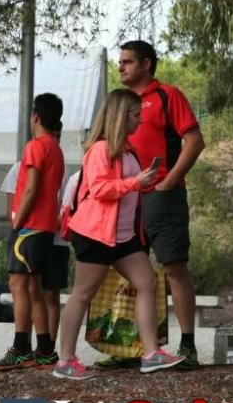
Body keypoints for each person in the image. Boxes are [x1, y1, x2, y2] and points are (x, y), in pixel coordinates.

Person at [53, 89, 185, 380]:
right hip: (95, 234)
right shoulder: (100, 150)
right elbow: (100, 189)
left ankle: (151, 354)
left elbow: (126, 188)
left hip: (123, 236)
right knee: (82, 294)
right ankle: (65, 361)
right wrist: (134, 182)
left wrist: (140, 182)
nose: (140, 120)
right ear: (119, 116)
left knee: (147, 281)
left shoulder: (127, 151)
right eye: (136, 114)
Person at [116, 39, 205, 369]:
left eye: (127, 61)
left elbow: (195, 142)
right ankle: (130, 347)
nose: (121, 66)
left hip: (163, 198)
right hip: (128, 199)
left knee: (174, 268)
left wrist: (168, 182)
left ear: (147, 64)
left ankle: (188, 345)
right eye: (120, 61)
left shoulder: (168, 95)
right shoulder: (120, 103)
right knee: (130, 272)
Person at [0, 94, 65, 371]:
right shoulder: (56, 149)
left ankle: (21, 347)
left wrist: (17, 221)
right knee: (33, 287)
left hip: (30, 226)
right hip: (44, 228)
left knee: (18, 285)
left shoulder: (35, 146)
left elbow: (32, 188)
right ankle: (44, 349)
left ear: (35, 116)